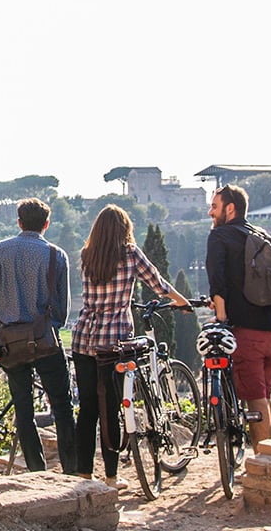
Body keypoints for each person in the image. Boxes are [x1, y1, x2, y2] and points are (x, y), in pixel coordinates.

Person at [71, 204, 190, 489]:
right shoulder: (130, 253)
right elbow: (158, 284)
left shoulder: (87, 255)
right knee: (110, 408)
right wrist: (181, 301)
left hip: (84, 338)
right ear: (124, 229)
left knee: (87, 408)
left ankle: (84, 474)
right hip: (114, 343)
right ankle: (111, 478)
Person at [0, 197, 77, 475]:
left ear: (18, 222)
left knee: (24, 411)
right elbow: (62, 313)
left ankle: (36, 472)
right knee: (63, 408)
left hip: (10, 343)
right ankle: (72, 472)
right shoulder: (57, 255)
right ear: (47, 224)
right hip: (45, 341)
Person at [205, 184, 271, 453]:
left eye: (215, 206)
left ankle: (260, 464)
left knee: (255, 399)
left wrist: (220, 320)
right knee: (265, 395)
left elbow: (217, 283)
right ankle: (269, 458)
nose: (210, 212)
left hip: (247, 328)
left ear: (230, 209)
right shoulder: (258, 233)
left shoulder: (220, 237)